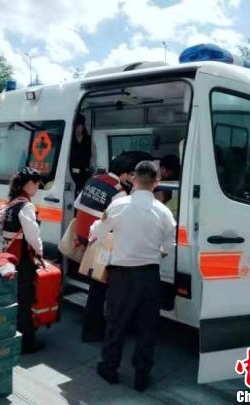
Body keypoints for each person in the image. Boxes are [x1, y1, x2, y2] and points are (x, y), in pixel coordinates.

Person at [90, 161, 176, 392]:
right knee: (147, 328)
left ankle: (110, 369)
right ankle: (141, 376)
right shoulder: (164, 212)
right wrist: (154, 253)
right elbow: (169, 244)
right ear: (157, 183)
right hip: (150, 276)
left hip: (122, 275)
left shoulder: (119, 205)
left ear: (134, 180)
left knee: (116, 324)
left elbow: (97, 232)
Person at [74, 153, 141, 342]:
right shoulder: (118, 192)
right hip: (102, 244)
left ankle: (92, 328)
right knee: (101, 288)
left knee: (96, 286)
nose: (133, 179)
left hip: (86, 238)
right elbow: (122, 223)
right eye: (132, 175)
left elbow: (78, 205)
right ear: (124, 174)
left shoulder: (93, 180)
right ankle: (94, 330)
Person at [0, 167, 44, 354]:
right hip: (22, 259)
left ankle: (7, 333)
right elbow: (33, 236)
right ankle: (26, 343)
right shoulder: (26, 206)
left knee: (11, 297)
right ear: (29, 184)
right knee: (24, 300)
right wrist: (40, 253)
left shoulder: (12, 203)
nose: (38, 188)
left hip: (7, 258)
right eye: (37, 184)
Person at [70, 114, 92, 195]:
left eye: (82, 126)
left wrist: (88, 167)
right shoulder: (70, 139)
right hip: (72, 171)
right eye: (78, 126)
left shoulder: (88, 139)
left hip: (85, 171)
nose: (80, 128)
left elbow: (91, 154)